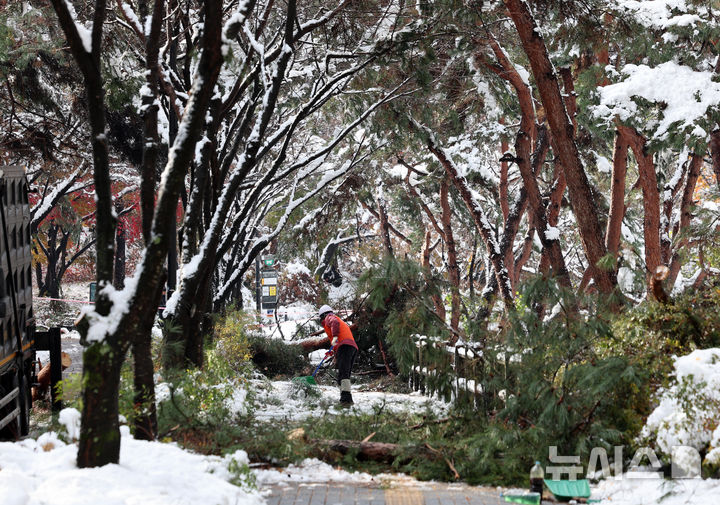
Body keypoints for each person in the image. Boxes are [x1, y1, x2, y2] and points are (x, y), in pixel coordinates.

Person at [318, 304, 357, 406]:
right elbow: (337, 341)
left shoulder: (329, 317)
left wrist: (335, 337)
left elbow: (334, 324)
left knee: (343, 373)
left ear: (323, 315)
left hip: (345, 346)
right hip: (351, 347)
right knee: (345, 374)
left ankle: (345, 400)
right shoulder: (338, 320)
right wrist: (333, 351)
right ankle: (347, 399)